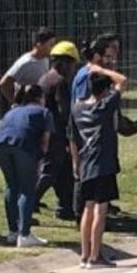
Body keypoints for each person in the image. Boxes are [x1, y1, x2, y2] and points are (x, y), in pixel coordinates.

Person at [70, 72, 125, 267]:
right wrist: (102, 69)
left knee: (88, 207)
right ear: (106, 90)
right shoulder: (104, 106)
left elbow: (72, 138)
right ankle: (95, 256)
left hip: (85, 162)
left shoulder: (77, 108)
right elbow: (122, 81)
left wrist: (76, 163)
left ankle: (84, 254)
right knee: (101, 210)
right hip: (103, 162)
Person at [0, 84, 53, 247]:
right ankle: (24, 234)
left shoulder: (13, 110)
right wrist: (40, 162)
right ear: (40, 98)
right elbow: (45, 142)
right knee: (27, 188)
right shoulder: (44, 112)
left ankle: (13, 232)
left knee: (11, 185)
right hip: (22, 145)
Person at [35, 41, 81, 220]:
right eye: (73, 65)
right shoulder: (60, 81)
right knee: (50, 171)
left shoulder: (45, 78)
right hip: (56, 133)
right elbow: (64, 111)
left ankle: (65, 206)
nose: (74, 69)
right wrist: (71, 135)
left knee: (63, 171)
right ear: (64, 63)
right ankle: (28, 202)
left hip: (46, 129)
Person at [0, 27, 56, 107]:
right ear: (39, 44)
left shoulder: (46, 59)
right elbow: (3, 83)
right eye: (50, 45)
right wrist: (14, 103)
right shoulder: (25, 62)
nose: (53, 48)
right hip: (26, 106)